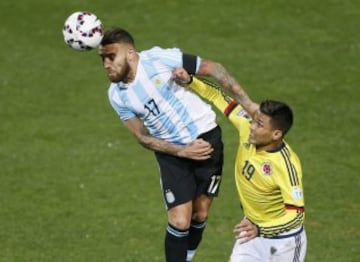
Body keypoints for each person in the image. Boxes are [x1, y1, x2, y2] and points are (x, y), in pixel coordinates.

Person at [98, 27, 244, 262]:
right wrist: (182, 151)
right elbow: (142, 137)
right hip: (171, 153)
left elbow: (213, 68)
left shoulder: (159, 58)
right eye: (102, 58)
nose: (106, 64)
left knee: (200, 214)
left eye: (111, 56)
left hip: (207, 139)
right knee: (179, 221)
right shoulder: (117, 95)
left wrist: (248, 104)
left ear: (131, 54)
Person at [172, 68, 307, 262]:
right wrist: (190, 81)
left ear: (276, 134)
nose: (251, 126)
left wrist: (262, 229)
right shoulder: (247, 127)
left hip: (284, 243)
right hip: (251, 233)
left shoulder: (286, 166)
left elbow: (296, 216)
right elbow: (217, 95)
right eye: (254, 120)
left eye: (259, 125)